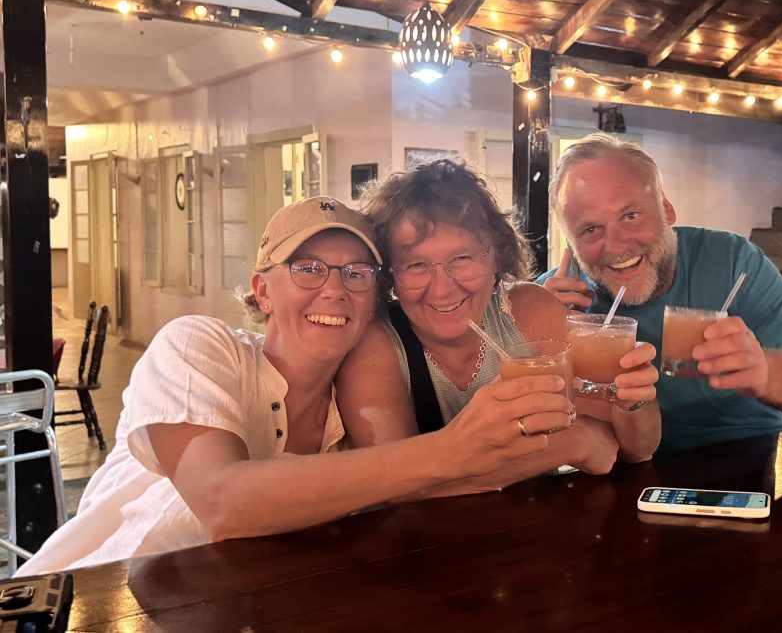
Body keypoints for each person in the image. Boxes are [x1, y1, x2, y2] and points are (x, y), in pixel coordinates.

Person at [18, 197, 573, 574]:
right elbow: (223, 502)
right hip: (88, 596)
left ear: (375, 298)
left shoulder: (358, 406)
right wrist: (454, 449)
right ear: (263, 290)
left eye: (356, 273)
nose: (334, 290)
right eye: (308, 268)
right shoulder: (199, 348)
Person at [336, 160, 661, 492]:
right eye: (416, 265)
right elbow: (391, 486)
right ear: (390, 274)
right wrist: (565, 445)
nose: (442, 289)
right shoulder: (375, 341)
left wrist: (634, 400)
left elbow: (622, 449)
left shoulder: (530, 311)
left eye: (462, 258)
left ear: (497, 256)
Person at [538, 133, 782, 450]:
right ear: (570, 242)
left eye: (630, 215)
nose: (616, 246)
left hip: (744, 456)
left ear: (666, 209)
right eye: (590, 229)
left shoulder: (731, 261)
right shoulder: (551, 301)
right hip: (618, 468)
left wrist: (767, 372)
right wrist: (543, 341)